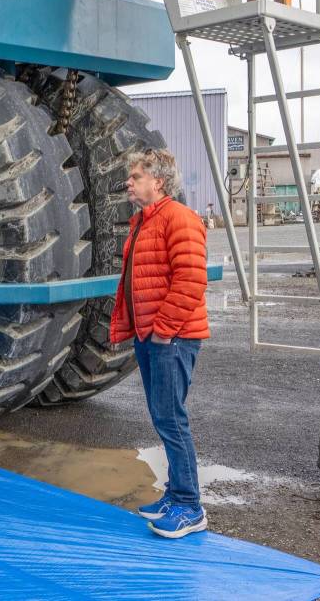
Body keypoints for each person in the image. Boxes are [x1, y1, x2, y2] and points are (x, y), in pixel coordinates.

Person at [109, 148, 210, 539]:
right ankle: (175, 494)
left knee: (172, 419)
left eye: (136, 176)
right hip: (152, 337)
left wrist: (164, 330)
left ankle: (190, 507)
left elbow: (190, 280)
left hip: (172, 338)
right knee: (163, 417)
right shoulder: (143, 222)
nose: (129, 183)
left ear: (159, 181)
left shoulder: (178, 219)